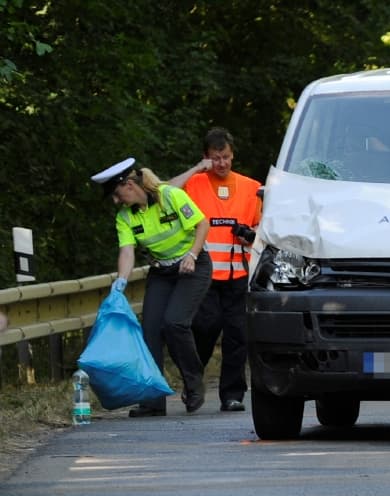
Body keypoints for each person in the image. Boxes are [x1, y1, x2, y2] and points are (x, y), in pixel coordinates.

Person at [91, 158, 212, 417]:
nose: (116, 201)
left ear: (129, 184)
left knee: (175, 323)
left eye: (116, 193)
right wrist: (120, 281)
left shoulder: (170, 195)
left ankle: (194, 382)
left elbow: (202, 224)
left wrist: (192, 255)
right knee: (150, 330)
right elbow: (127, 251)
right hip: (162, 271)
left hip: (193, 264)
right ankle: (153, 400)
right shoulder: (125, 217)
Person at [169, 128, 262, 412]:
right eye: (215, 158)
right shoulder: (195, 184)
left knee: (238, 335)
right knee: (204, 330)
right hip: (204, 275)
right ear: (206, 158)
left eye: (226, 157)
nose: (222, 163)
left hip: (239, 274)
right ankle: (193, 382)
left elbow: (265, 231)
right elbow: (165, 191)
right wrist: (198, 169)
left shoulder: (251, 188)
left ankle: (232, 395)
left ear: (233, 156)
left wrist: (250, 234)